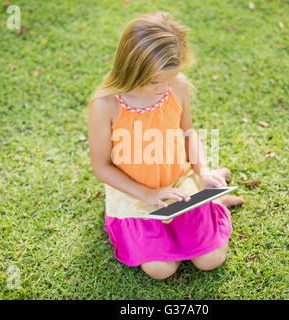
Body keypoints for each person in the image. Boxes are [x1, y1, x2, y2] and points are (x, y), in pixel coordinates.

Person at [87, 11, 245, 280]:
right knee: (161, 270)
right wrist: (147, 194)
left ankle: (212, 195)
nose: (164, 88)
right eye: (155, 82)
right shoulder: (106, 105)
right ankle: (210, 198)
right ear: (131, 69)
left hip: (178, 184)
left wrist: (203, 170)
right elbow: (101, 166)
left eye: (170, 78)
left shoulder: (177, 86)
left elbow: (188, 132)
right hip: (135, 194)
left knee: (210, 260)